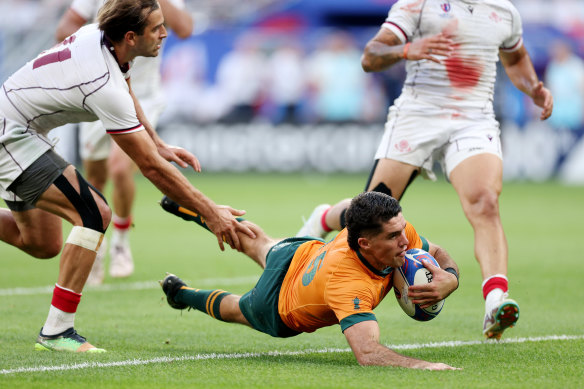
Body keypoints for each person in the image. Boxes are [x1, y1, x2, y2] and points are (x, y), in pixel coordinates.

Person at [0, 0, 254, 353]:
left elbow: (127, 85)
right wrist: (211, 213)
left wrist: (157, 142)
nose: (165, 33)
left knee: (43, 245)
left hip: (21, 129)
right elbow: (150, 170)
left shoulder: (102, 39)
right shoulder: (101, 82)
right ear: (131, 37)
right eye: (156, 28)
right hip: (12, 136)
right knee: (95, 213)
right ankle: (57, 331)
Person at [296, 0, 553, 340]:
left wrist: (533, 86)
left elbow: (515, 56)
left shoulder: (504, 11)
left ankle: (495, 302)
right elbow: (370, 56)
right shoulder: (418, 6)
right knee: (372, 213)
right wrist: (407, 49)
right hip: (418, 113)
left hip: (473, 119)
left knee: (485, 202)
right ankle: (327, 216)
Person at [159, 192, 460, 370]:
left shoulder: (395, 233)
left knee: (255, 240)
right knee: (238, 309)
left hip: (303, 251)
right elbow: (368, 353)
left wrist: (452, 278)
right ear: (366, 244)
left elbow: (437, 251)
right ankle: (181, 293)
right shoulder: (349, 284)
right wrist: (424, 366)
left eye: (402, 230)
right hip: (277, 304)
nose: (405, 241)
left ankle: (189, 206)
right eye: (394, 236)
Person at [54, 0, 193, 284]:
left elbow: (185, 28)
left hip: (144, 96)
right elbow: (63, 29)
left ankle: (120, 241)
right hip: (100, 89)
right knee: (95, 176)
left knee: (120, 167)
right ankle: (96, 243)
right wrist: (97, 45)